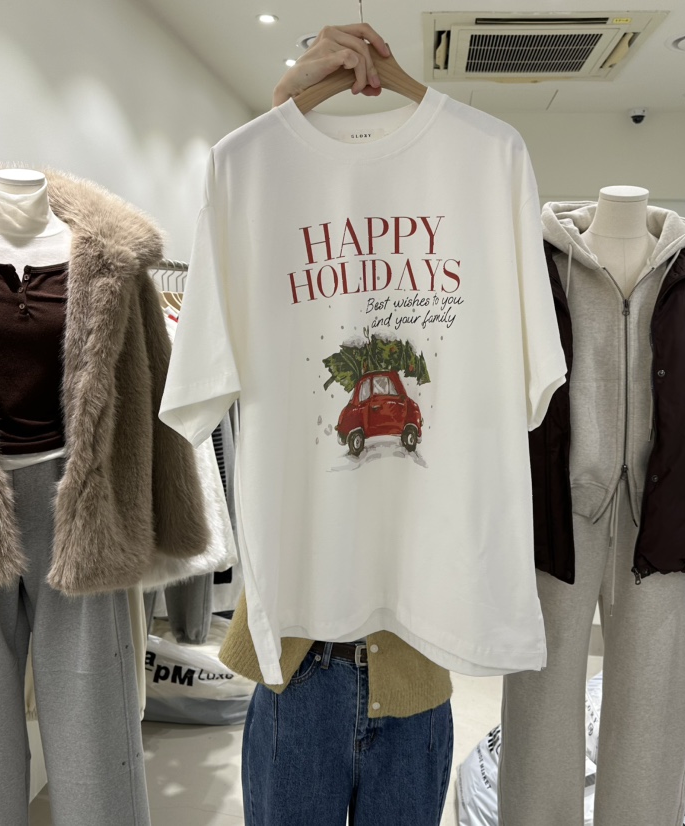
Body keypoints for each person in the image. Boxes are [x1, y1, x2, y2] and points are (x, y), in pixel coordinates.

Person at [217, 24, 455, 826]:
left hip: (415, 656)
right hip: (296, 656)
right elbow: (256, 207)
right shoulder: (260, 192)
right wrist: (285, 110)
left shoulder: (469, 191)